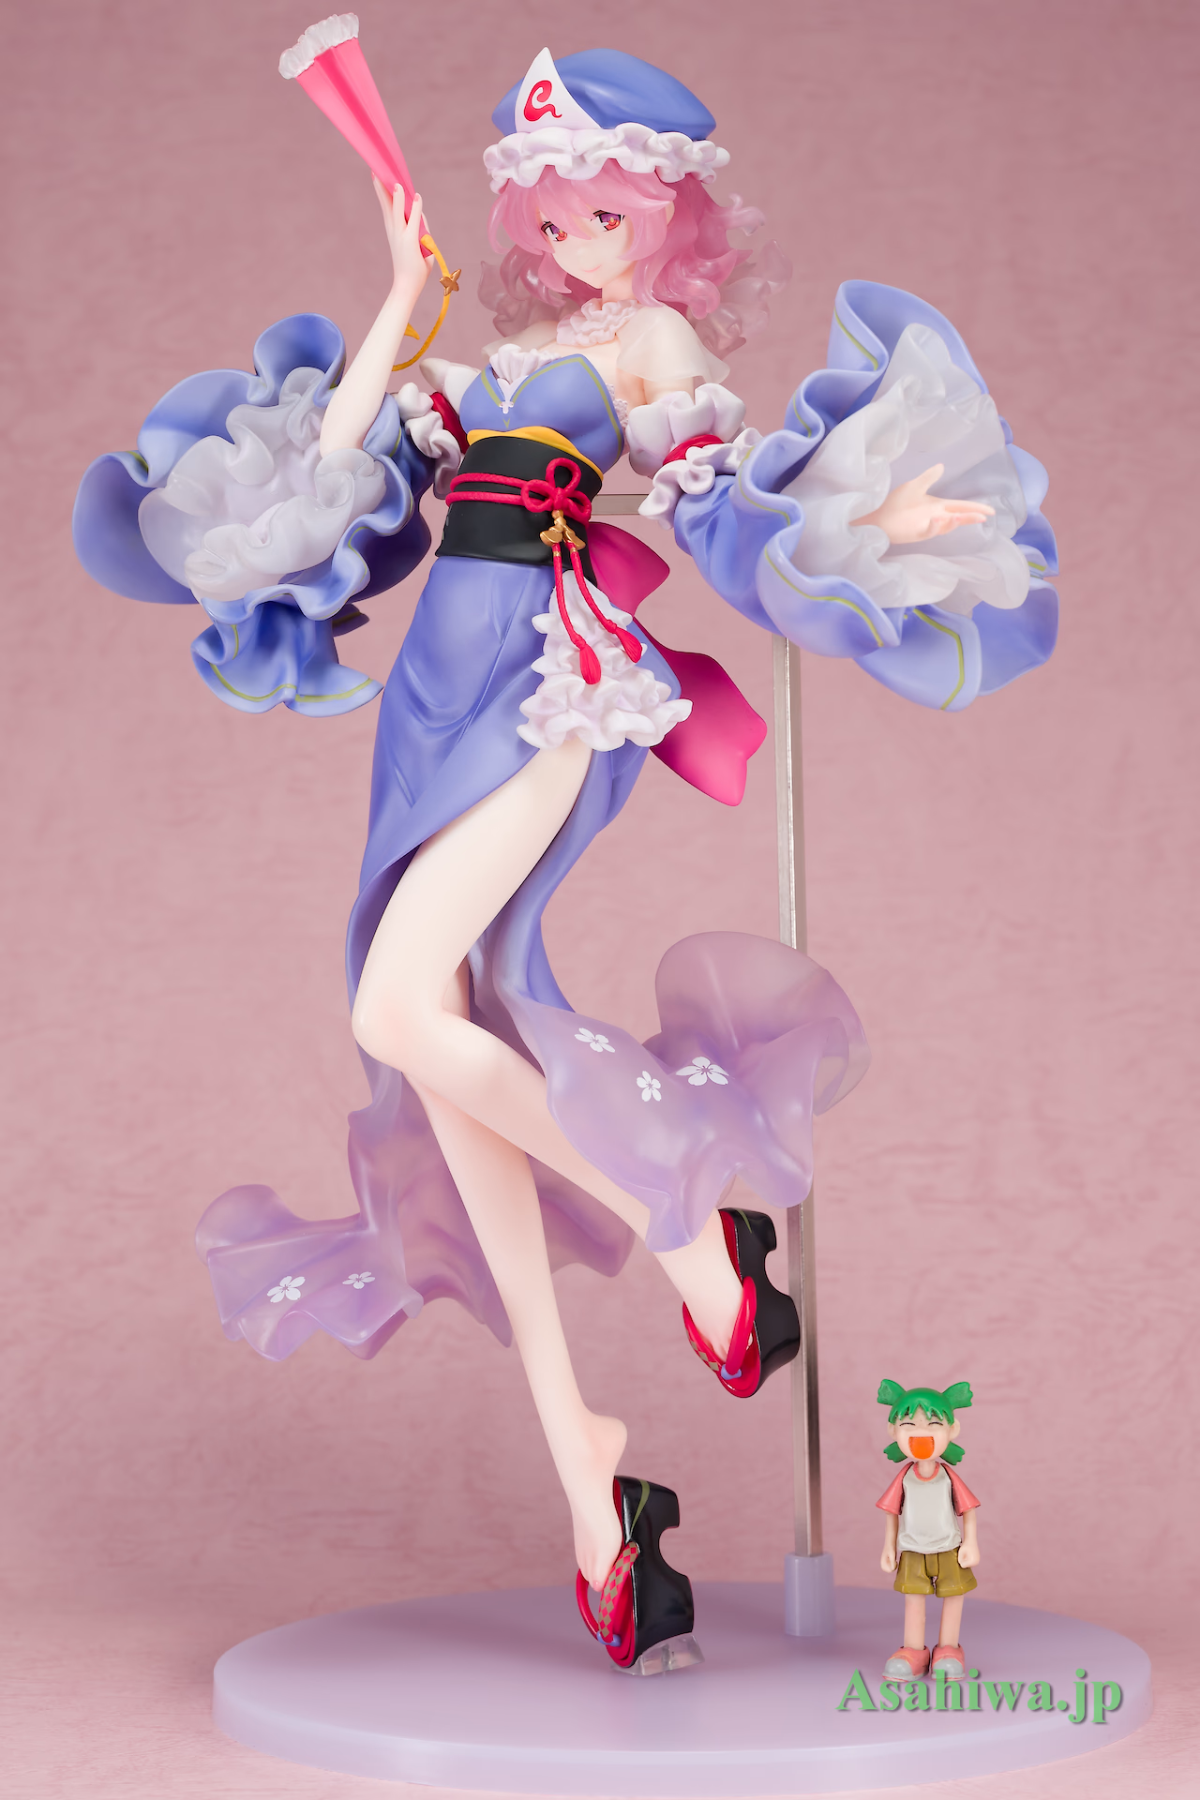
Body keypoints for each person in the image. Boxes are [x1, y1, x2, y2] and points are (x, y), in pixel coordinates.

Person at [73, 35, 1054, 1674]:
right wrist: (404, 293)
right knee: (453, 1047)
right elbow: (328, 482)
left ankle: (688, 1231)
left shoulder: (655, 345)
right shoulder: (489, 365)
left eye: (609, 215)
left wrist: (863, 532)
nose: (578, 242)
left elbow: (717, 507)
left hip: (545, 677)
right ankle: (593, 1483)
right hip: (431, 695)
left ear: (666, 219)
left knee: (400, 1010)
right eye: (555, 218)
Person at [876, 1380, 981, 1682]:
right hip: (912, 1550)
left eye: (934, 1424)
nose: (920, 1434)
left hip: (949, 1548)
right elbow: (892, 1512)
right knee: (913, 1599)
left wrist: (971, 1543)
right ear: (893, 1431)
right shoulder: (905, 1478)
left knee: (954, 1596)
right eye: (908, 1425)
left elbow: (968, 1509)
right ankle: (913, 1651)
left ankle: (949, 1648)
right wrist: (888, 1547)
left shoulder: (947, 1476)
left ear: (953, 1430)